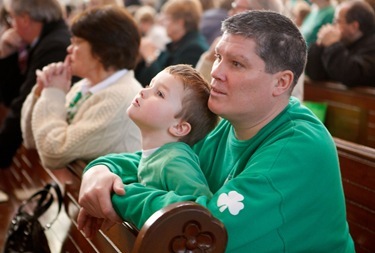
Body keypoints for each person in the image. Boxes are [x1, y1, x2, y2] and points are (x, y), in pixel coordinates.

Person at [77, 10, 354, 252]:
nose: (217, 72)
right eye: (219, 56)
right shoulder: (229, 124)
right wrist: (99, 172)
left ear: (281, 82)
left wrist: (116, 196)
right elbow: (156, 159)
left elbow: (200, 231)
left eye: (236, 64)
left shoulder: (298, 147)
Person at [78, 64, 219, 233]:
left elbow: (199, 211)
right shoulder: (157, 154)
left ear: (179, 127)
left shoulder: (175, 159)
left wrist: (119, 197)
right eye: (149, 86)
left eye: (160, 94)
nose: (144, 92)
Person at [20, 5, 142, 169]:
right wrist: (41, 91)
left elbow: (53, 153)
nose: (69, 49)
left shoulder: (121, 98)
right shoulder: (84, 86)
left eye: (77, 42)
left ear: (102, 50)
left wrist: (53, 93)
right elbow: (32, 139)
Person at [0, 0, 71, 168]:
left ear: (25, 19)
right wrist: (6, 54)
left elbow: (22, 103)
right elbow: (11, 96)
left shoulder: (54, 46)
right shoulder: (47, 39)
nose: (12, 26)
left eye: (12, 18)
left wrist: (2, 152)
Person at [195, 0, 306, 101]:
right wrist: (209, 58)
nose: (230, 13)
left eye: (236, 63)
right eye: (218, 57)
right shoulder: (228, 44)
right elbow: (199, 93)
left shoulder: (284, 54)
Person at [135, 0, 208, 87]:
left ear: (180, 22)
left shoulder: (194, 49)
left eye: (167, 18)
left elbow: (169, 87)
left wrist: (150, 57)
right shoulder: (176, 44)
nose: (162, 23)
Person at [305, 0, 375, 87]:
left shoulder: (372, 45)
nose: (333, 26)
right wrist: (320, 45)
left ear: (354, 26)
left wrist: (333, 45)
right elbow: (315, 73)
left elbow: (352, 76)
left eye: (337, 22)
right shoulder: (345, 42)